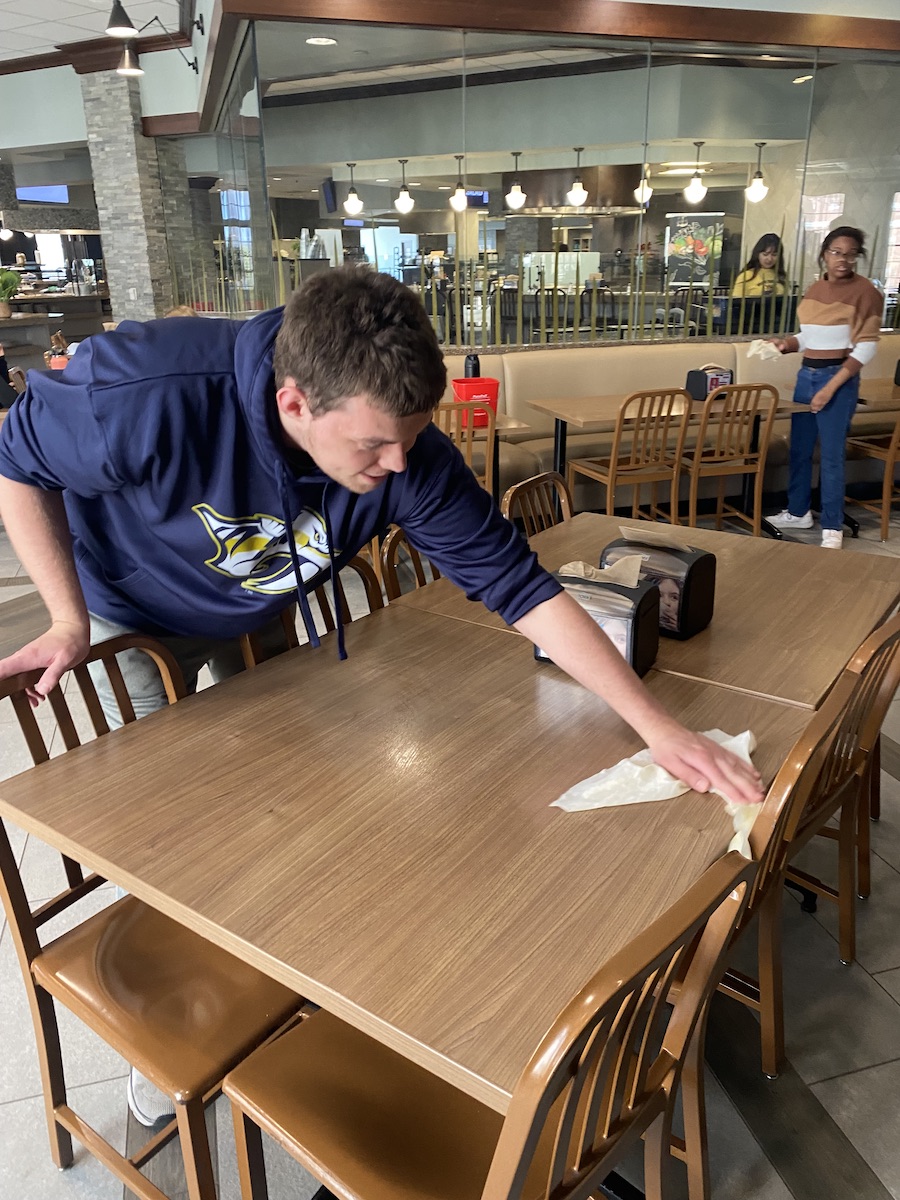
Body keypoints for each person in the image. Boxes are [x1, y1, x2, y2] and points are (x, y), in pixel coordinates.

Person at [0, 267, 761, 1125]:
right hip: (131, 615)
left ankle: (287, 964)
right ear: (294, 406)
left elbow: (523, 589)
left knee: (275, 805)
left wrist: (657, 728)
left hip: (263, 606)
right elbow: (15, 463)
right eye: (371, 447)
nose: (397, 466)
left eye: (410, 439)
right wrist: (66, 619)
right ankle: (167, 1019)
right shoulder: (143, 391)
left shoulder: (405, 455)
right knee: (172, 831)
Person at [767, 226, 882, 549]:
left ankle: (832, 525)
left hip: (839, 379)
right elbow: (811, 337)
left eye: (850, 254)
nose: (842, 260)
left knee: (831, 456)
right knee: (800, 450)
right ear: (824, 254)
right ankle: (798, 510)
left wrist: (830, 388)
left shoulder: (865, 292)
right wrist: (787, 344)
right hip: (807, 375)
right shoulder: (816, 288)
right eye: (836, 252)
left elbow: (866, 348)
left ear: (858, 257)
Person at [731, 233, 786, 298]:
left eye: (774, 255)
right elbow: (736, 303)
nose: (769, 259)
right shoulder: (746, 276)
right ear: (757, 254)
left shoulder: (781, 276)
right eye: (765, 254)